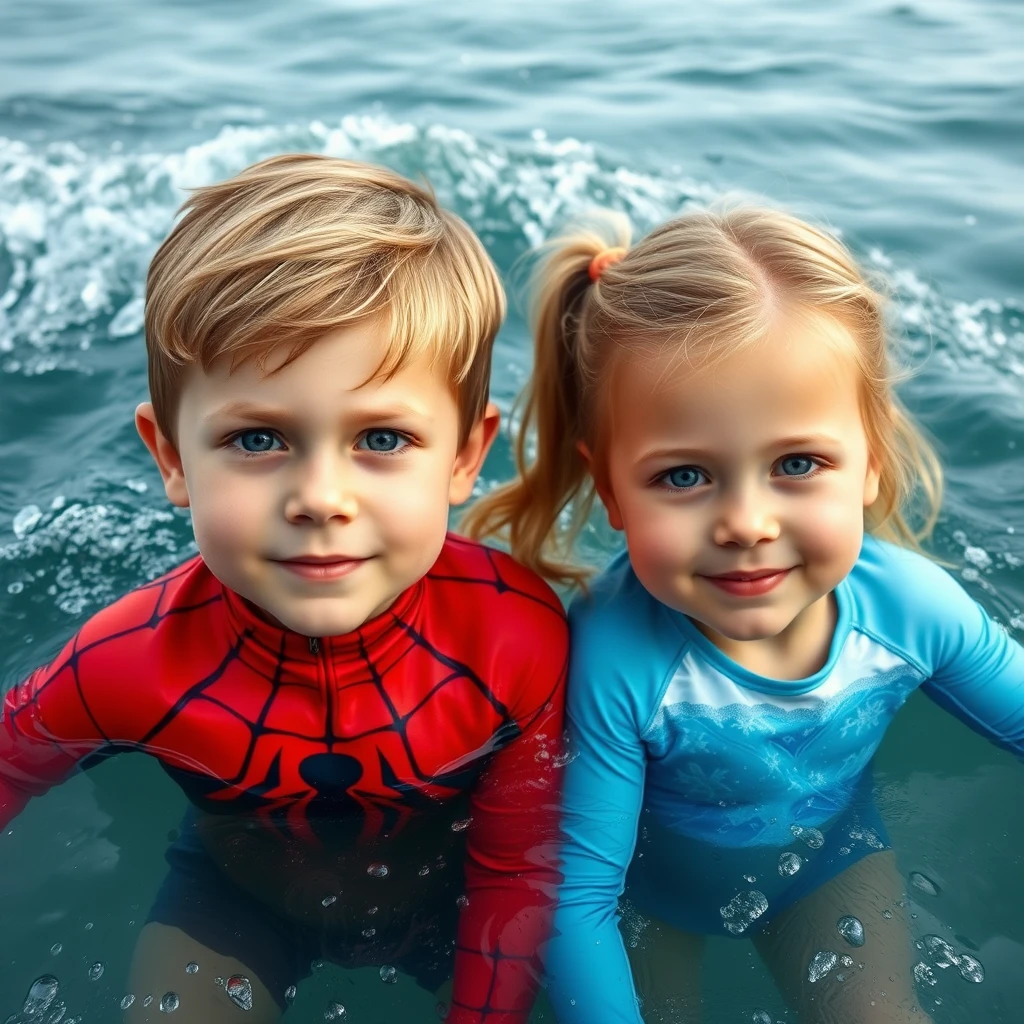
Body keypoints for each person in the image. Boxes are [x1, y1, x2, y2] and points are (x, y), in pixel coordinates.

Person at [0, 154, 568, 1023]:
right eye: (259, 441)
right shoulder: (125, 664)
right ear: (171, 458)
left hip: (460, 900)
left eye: (381, 440)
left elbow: (522, 866)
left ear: (464, 455)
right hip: (235, 903)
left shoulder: (518, 641)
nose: (319, 500)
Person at [463, 205, 1024, 1023]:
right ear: (611, 490)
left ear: (870, 459)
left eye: (798, 463)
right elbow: (579, 901)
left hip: (830, 865)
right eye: (685, 477)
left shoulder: (912, 611)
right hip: (644, 902)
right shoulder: (615, 662)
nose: (747, 523)